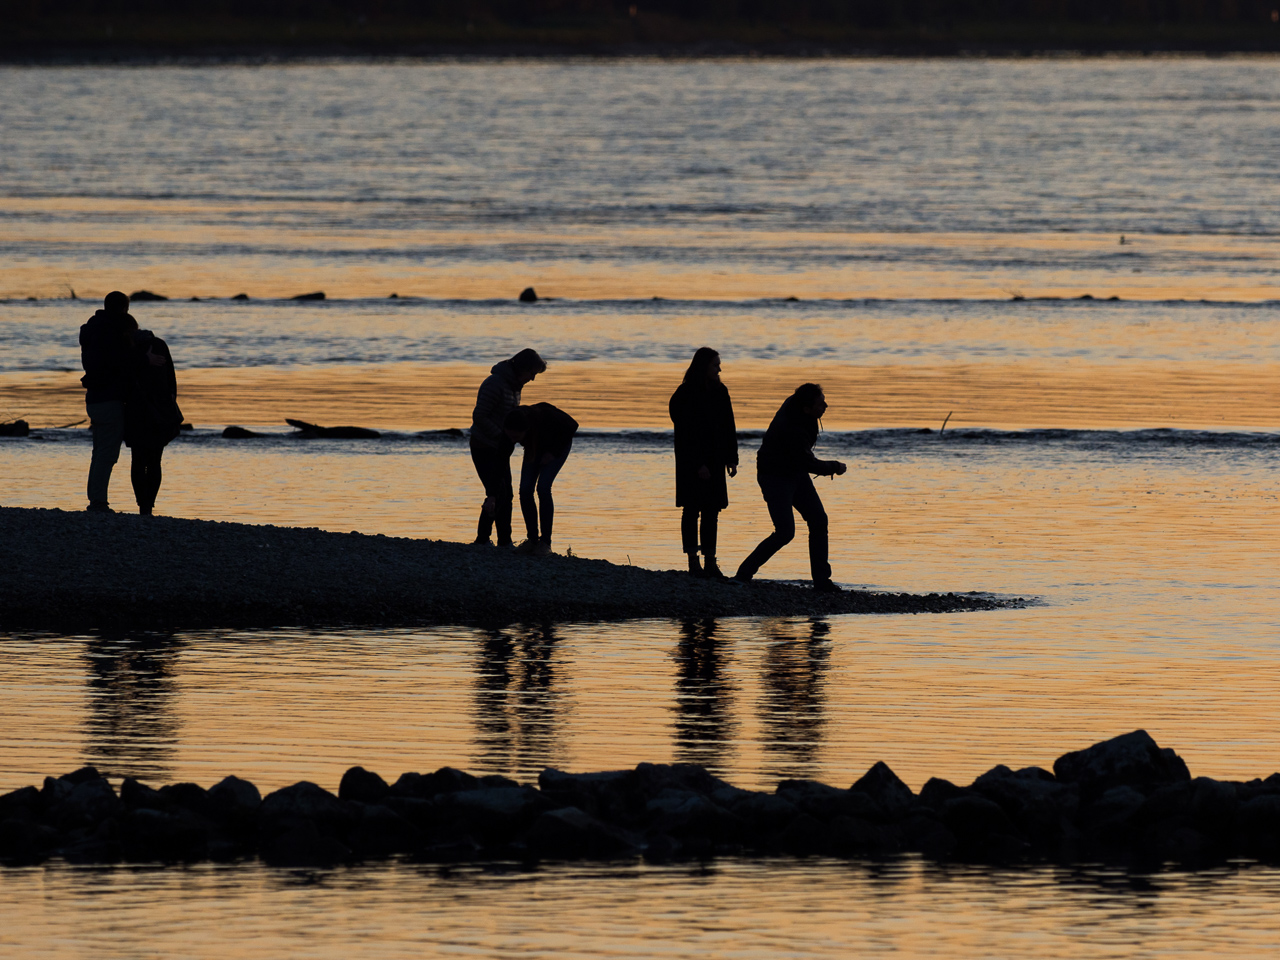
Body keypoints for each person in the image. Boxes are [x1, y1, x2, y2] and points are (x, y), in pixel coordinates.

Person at [734, 383, 847, 592]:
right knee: (785, 532)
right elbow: (809, 463)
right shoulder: (791, 429)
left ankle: (822, 582)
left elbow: (803, 462)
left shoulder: (799, 407)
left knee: (818, 520)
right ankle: (743, 574)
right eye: (821, 403)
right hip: (774, 476)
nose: (826, 406)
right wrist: (835, 467)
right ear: (806, 408)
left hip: (795, 472)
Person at [669, 347, 738, 578]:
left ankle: (710, 561)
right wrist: (698, 464)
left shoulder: (720, 391)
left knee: (712, 510)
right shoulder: (685, 394)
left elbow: (729, 425)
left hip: (716, 459)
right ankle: (692, 562)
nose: (719, 368)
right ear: (703, 366)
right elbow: (685, 433)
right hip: (692, 460)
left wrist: (732, 458)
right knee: (691, 509)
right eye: (715, 364)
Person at [470, 348, 547, 547]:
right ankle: (483, 539)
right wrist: (502, 435)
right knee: (498, 491)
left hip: (501, 448)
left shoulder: (514, 386)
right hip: (483, 446)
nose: (532, 379)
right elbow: (479, 416)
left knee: (506, 493)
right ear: (523, 368)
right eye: (532, 374)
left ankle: (504, 541)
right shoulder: (494, 384)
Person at [79, 291, 135, 512]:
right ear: (124, 308)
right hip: (110, 397)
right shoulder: (115, 330)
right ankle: (98, 502)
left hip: (94, 397)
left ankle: (96, 498)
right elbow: (121, 362)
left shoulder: (92, 330)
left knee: (100, 451)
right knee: (107, 453)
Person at [124, 322, 183, 516]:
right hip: (160, 410)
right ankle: (149, 505)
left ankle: (143, 505)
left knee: (138, 460)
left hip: (135, 410)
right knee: (155, 460)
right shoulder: (159, 344)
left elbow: (124, 378)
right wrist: (171, 402)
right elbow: (171, 378)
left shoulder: (128, 348)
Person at [504, 402, 578, 556]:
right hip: (534, 446)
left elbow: (573, 425)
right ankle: (532, 541)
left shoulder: (547, 417)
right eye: (510, 436)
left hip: (558, 445)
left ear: (526, 430)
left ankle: (545, 543)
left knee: (543, 488)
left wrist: (553, 453)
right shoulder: (511, 422)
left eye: (516, 437)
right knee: (525, 490)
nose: (513, 441)